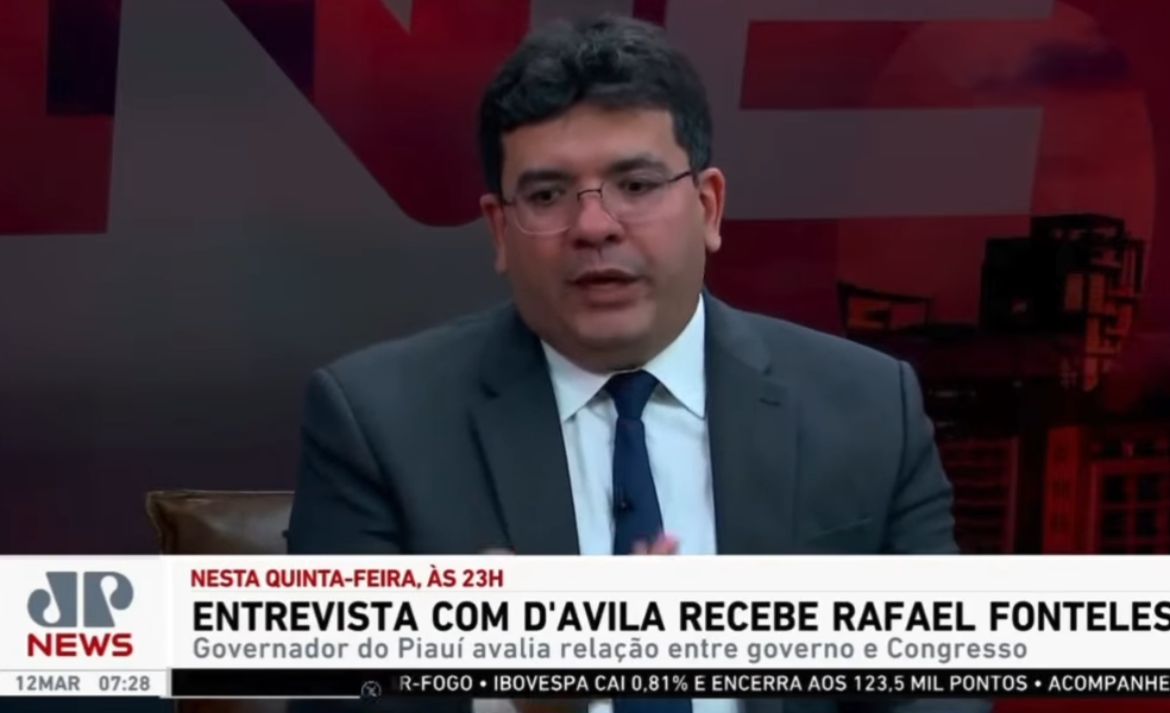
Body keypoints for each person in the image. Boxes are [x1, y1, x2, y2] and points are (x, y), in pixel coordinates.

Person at [287, 14, 990, 713]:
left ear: (709, 207)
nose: (594, 225)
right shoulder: (381, 426)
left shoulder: (869, 408)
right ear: (500, 230)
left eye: (637, 184)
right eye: (547, 195)